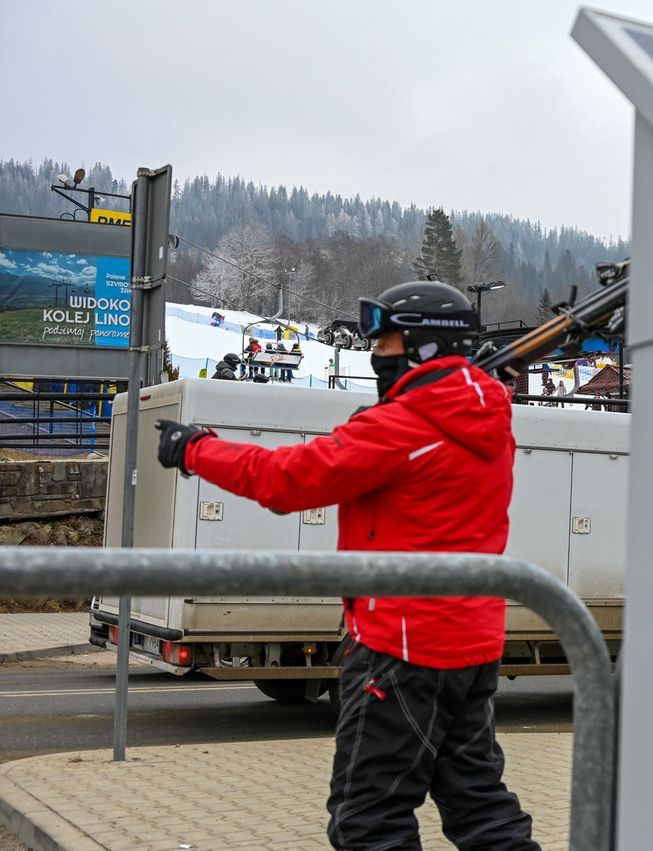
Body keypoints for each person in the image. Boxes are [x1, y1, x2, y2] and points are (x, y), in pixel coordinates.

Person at [153, 280, 537, 851]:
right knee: (480, 807)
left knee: (369, 822)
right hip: (471, 643)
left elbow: (286, 481)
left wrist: (196, 449)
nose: (372, 355)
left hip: (399, 649)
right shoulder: (484, 412)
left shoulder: (401, 427)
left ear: (421, 349)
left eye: (383, 343)